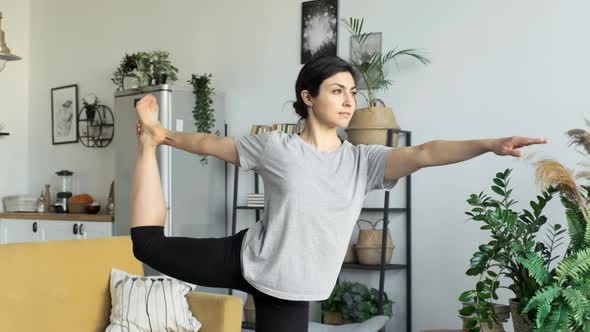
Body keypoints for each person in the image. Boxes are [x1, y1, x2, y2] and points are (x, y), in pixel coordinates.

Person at [130, 55, 548, 332]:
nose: (349, 101)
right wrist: (163, 135)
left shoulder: (363, 160)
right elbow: (209, 144)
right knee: (146, 246)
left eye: (352, 92)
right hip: (244, 255)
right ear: (308, 97)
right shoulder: (277, 146)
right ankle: (148, 142)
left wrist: (488, 144)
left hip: (288, 290)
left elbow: (423, 152)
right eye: (337, 90)